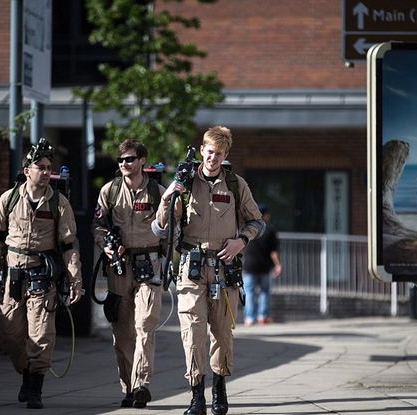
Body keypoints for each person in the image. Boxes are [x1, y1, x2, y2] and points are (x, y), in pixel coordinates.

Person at [155, 126, 265, 415]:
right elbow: (162, 227)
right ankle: (196, 396)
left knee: (222, 333)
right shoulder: (187, 182)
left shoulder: (235, 184)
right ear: (201, 150)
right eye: (209, 151)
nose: (213, 157)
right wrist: (169, 197)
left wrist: (242, 241)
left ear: (225, 155)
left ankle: (219, 390)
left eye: (218, 153)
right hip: (192, 269)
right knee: (192, 333)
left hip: (224, 270)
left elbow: (256, 222)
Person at [0, 138, 83, 409]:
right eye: (41, 167)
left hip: (42, 280)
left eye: (49, 167)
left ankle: (35, 388)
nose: (46, 172)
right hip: (13, 278)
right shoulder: (8, 200)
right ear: (27, 171)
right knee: (11, 335)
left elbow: (69, 245)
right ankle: (26, 372)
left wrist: (75, 280)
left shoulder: (59, 203)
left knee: (41, 335)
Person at [91, 139, 166, 409]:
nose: (124, 164)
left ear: (142, 161)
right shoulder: (109, 191)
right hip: (120, 267)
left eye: (130, 159)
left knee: (145, 323)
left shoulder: (158, 192)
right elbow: (97, 226)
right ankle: (128, 387)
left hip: (150, 265)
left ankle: (141, 384)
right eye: (121, 159)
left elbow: (170, 229)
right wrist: (106, 245)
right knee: (122, 332)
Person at [242, 204, 281, 326]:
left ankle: (249, 318)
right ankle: (263, 317)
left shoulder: (248, 229)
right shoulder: (270, 230)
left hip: (249, 266)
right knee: (264, 291)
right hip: (265, 267)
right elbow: (273, 251)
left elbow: (241, 247)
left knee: (249, 292)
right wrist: (278, 265)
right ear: (265, 215)